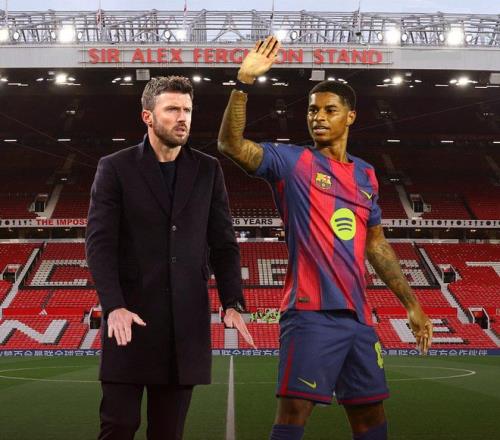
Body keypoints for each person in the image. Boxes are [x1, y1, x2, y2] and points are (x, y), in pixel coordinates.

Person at [218, 36, 433, 440]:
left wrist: (412, 304)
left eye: (329, 110)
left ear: (350, 116)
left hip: (359, 319)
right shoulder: (293, 162)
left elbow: (376, 244)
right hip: (310, 314)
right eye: (312, 110)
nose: (317, 117)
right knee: (294, 413)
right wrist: (243, 83)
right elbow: (231, 144)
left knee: (370, 416)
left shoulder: (366, 175)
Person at [86, 75, 254, 440]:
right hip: (129, 322)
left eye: (187, 110)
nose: (183, 118)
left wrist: (232, 302)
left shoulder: (208, 169)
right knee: (119, 425)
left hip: (185, 328)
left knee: (168, 433)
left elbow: (224, 244)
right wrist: (114, 306)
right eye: (172, 109)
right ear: (147, 116)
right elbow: (99, 244)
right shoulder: (115, 167)